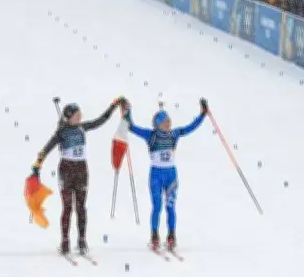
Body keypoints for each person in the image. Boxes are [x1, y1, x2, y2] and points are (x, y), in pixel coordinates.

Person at [32, 98, 125, 255]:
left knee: (81, 207)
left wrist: (114, 105)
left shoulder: (82, 127)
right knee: (67, 207)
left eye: (80, 113)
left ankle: (82, 240)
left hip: (81, 170)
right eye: (76, 114)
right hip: (66, 171)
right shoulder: (61, 132)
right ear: (69, 117)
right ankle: (65, 241)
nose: (80, 116)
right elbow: (45, 150)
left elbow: (101, 120)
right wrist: (37, 165)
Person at [123, 99, 208, 251]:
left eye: (169, 120)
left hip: (171, 176)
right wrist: (127, 110)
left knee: (170, 207)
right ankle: (154, 235)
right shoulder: (151, 135)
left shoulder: (174, 134)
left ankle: (171, 235)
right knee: (157, 206)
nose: (169, 123)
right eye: (165, 121)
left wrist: (203, 114)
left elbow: (191, 127)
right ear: (158, 124)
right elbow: (131, 127)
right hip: (156, 175)